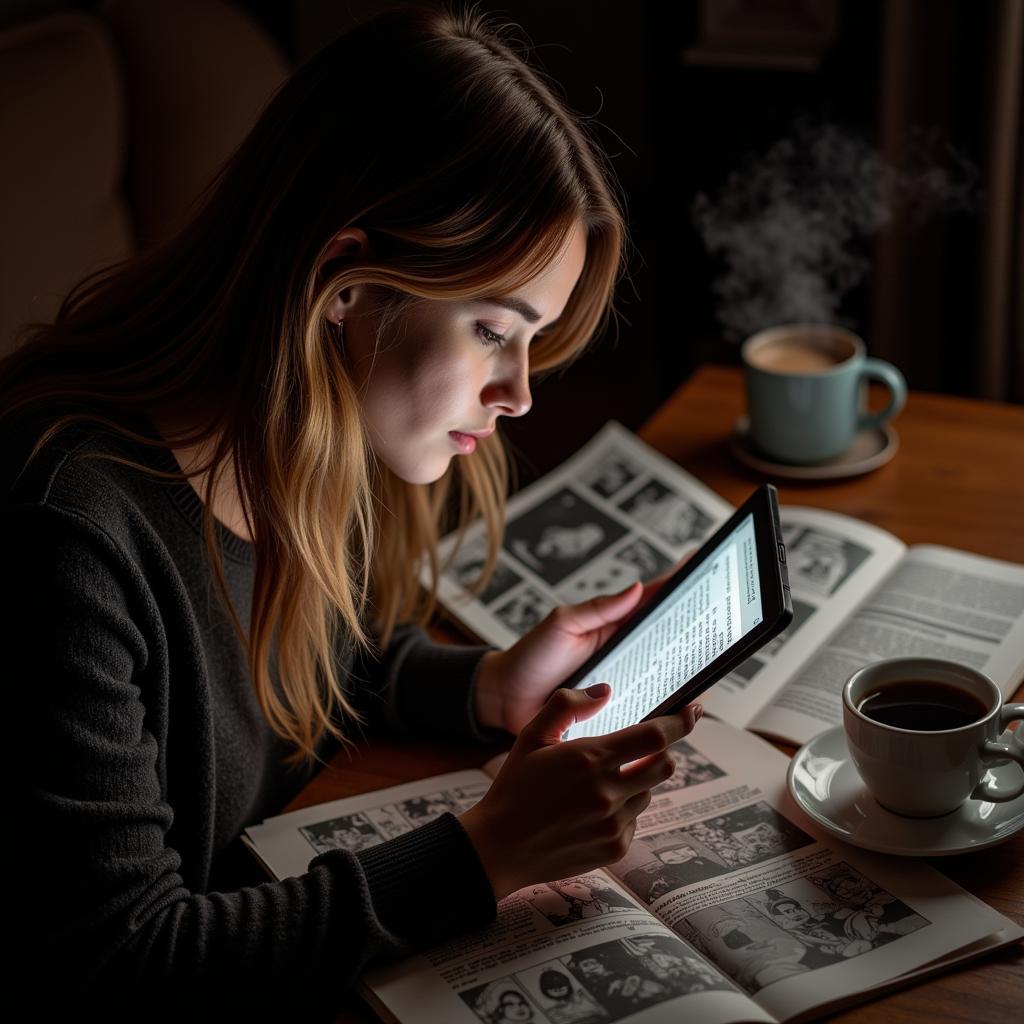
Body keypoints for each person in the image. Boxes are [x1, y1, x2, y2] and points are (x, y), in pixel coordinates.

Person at [1, 7, 701, 1022]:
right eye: (494, 330)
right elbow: (118, 961)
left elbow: (309, 667)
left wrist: (487, 686)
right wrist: (482, 852)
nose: (519, 393)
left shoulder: (291, 442)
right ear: (344, 284)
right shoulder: (65, 531)